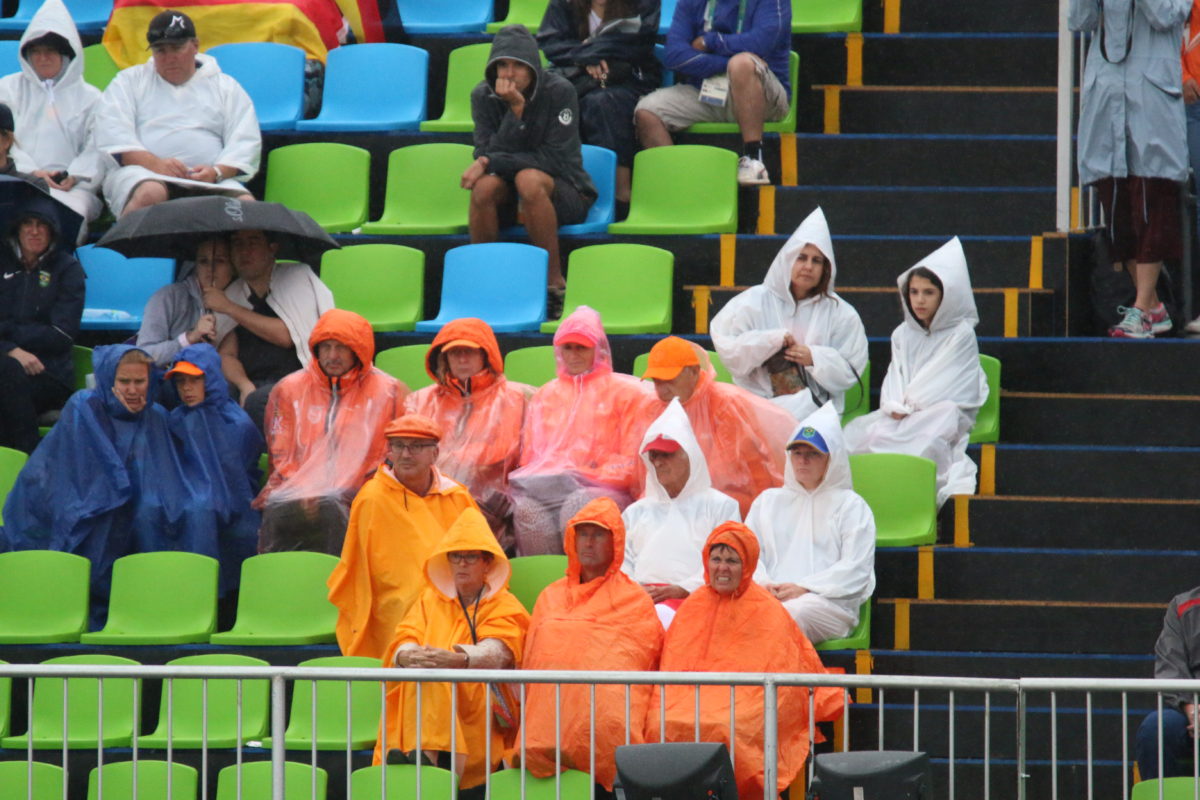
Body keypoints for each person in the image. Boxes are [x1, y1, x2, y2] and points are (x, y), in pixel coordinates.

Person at [0, 345, 216, 623]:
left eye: (140, 382)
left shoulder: (156, 416)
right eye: (124, 382)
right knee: (107, 518)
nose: (132, 390)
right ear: (108, 380)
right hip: (75, 500)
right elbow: (80, 471)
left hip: (131, 507)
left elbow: (168, 475)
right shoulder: (85, 406)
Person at [646, 522, 843, 800]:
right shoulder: (692, 605)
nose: (722, 568)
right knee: (658, 722)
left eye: (732, 560)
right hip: (687, 698)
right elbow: (674, 666)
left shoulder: (767, 609)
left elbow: (781, 671)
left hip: (749, 699)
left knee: (728, 726)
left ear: (747, 565)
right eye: (716, 559)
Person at [373, 507, 530, 789]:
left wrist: (456, 660)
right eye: (455, 556)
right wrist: (409, 655)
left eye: (470, 556)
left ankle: (423, 760)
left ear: (487, 563)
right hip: (434, 694)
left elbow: (499, 651)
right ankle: (423, 758)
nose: (462, 564)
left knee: (433, 678)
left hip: (481, 698)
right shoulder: (429, 600)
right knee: (425, 677)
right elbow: (404, 636)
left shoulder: (505, 604)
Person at [521, 497, 664, 791]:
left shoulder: (635, 599)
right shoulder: (550, 596)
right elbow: (532, 657)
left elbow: (640, 660)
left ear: (616, 542)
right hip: (547, 725)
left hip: (607, 730)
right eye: (583, 534)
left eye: (598, 534)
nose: (588, 542)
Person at [1070, 0, 1188, 338]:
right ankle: (1152, 308)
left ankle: (1140, 308)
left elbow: (1167, 16)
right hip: (1107, 96)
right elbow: (1081, 20)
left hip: (1149, 98)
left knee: (1152, 201)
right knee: (1117, 205)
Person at [843, 237, 988, 507]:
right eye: (914, 292)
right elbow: (896, 375)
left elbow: (947, 381)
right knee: (868, 437)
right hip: (903, 411)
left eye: (928, 292)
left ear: (945, 295)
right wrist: (894, 404)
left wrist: (912, 406)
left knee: (932, 434)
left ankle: (909, 501)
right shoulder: (902, 333)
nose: (919, 300)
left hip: (939, 409)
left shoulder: (961, 333)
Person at [464, 24, 597, 316]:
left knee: (529, 179)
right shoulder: (482, 96)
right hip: (512, 192)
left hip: (568, 190)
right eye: (502, 65)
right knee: (484, 188)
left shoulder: (560, 91)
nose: (508, 74)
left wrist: (489, 162)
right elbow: (485, 150)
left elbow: (556, 159)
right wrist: (515, 111)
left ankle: (554, 285)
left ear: (533, 67)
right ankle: (486, 283)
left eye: (517, 66)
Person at [256, 309, 407, 555]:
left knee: (333, 502)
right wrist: (305, 488)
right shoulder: (289, 389)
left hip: (366, 487)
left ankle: (341, 579)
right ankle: (277, 580)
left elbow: (393, 454)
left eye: (341, 347)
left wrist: (344, 486)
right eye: (326, 347)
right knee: (277, 504)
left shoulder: (389, 392)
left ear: (358, 350)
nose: (332, 355)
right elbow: (281, 452)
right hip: (301, 486)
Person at [328, 414, 479, 660]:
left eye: (417, 446)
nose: (406, 454)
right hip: (392, 601)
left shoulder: (457, 496)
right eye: (399, 446)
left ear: (435, 453)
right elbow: (360, 570)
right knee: (406, 604)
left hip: (453, 595)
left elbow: (481, 554)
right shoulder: (372, 498)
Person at [508, 305, 653, 554]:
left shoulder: (628, 393)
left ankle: (582, 581)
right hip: (551, 487)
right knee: (525, 510)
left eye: (581, 347)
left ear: (597, 349)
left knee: (579, 503)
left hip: (607, 492)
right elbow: (529, 459)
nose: (573, 355)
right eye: (568, 348)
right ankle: (549, 584)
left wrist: (585, 474)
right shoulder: (545, 395)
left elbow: (634, 466)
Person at [93, 9, 260, 217]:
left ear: (195, 46)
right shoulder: (128, 81)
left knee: (247, 208)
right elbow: (113, 135)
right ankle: (127, 250)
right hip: (143, 174)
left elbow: (245, 141)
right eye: (160, 50)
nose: (170, 58)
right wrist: (155, 164)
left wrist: (217, 172)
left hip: (211, 179)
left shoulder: (226, 87)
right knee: (150, 193)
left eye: (177, 48)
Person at [710, 207, 869, 421]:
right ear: (788, 260)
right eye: (801, 258)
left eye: (816, 261)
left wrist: (814, 358)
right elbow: (730, 350)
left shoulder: (841, 313)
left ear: (825, 268)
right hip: (755, 403)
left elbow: (852, 368)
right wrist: (769, 341)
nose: (808, 267)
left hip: (814, 408)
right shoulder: (752, 301)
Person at [748, 403, 876, 644]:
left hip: (829, 605)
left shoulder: (851, 506)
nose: (803, 461)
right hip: (769, 597)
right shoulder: (767, 502)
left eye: (813, 453)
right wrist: (764, 584)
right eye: (797, 453)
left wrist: (805, 587)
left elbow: (857, 570)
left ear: (832, 458)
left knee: (790, 613)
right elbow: (750, 556)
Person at [405, 318, 532, 553]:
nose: (462, 359)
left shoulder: (518, 398)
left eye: (469, 352)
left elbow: (526, 460)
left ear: (485, 354)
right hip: (426, 499)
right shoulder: (420, 401)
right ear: (444, 358)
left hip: (490, 505)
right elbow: (404, 455)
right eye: (455, 353)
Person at [634, 0, 791, 185]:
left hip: (764, 97)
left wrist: (709, 41)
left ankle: (754, 158)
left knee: (742, 64)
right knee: (646, 112)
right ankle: (678, 184)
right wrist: (726, 64)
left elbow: (761, 42)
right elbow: (674, 56)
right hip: (707, 92)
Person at [638, 335, 795, 517]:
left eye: (669, 380)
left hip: (730, 498)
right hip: (675, 494)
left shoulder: (727, 405)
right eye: (657, 381)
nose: (662, 389)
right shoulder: (652, 408)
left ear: (694, 372)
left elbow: (739, 475)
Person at [621, 398, 740, 627]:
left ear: (689, 456)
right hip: (639, 601)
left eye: (667, 455)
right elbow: (622, 564)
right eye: (654, 456)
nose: (658, 463)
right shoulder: (635, 512)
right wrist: (636, 591)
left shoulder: (721, 506)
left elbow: (730, 564)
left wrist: (682, 589)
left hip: (698, 600)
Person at [0, 0, 105, 242]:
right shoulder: (7, 89)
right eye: (36, 52)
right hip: (15, 181)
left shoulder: (92, 98)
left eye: (50, 51)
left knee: (66, 217)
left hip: (73, 189)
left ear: (66, 53)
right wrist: (31, 173)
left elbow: (99, 147)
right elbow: (3, 139)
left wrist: (75, 175)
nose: (42, 58)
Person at [537, 0, 661, 203]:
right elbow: (550, 42)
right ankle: (563, 188)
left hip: (629, 79)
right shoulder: (563, 3)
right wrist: (586, 57)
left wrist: (593, 52)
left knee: (602, 102)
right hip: (579, 77)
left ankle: (620, 190)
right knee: (556, 101)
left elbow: (642, 41)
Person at [212, 226, 335, 432]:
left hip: (300, 382)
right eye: (238, 244)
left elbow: (287, 336)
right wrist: (244, 385)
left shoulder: (297, 278)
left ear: (272, 248)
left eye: (253, 242)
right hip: (252, 383)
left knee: (259, 402)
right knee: (215, 393)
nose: (244, 251)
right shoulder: (233, 292)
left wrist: (229, 308)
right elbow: (226, 354)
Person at [165, 343, 262, 592]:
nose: (186, 388)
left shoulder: (237, 424)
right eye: (180, 381)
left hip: (236, 509)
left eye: (194, 380)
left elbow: (239, 481)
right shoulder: (175, 420)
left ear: (211, 379)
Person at [0, 202, 85, 453]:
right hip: (6, 362)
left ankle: (26, 455)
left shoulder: (68, 269)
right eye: (28, 223)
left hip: (49, 372)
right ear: (17, 229)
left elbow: (61, 335)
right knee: (8, 370)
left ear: (52, 232)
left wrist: (7, 332)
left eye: (42, 225)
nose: (34, 231)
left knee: (7, 376)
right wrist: (11, 349)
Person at [136, 237, 238, 367]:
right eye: (203, 261)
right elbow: (143, 355)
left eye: (219, 261)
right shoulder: (168, 297)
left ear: (233, 266)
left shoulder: (241, 299)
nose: (210, 269)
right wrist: (190, 337)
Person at [1135, 584, 1200, 779]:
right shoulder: (1182, 606)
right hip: (1192, 705)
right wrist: (1193, 710)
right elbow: (1170, 667)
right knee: (1157, 727)